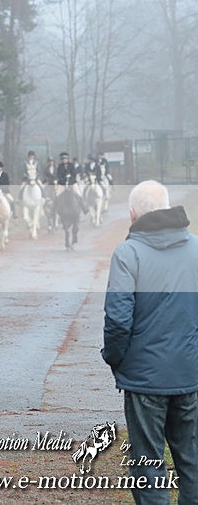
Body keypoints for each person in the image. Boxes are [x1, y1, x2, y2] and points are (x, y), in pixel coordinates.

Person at [102, 180, 198, 505]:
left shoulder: (128, 253)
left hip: (144, 382)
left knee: (148, 467)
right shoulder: (196, 249)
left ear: (132, 214)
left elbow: (117, 320)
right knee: (192, 462)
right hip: (190, 376)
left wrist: (115, 359)